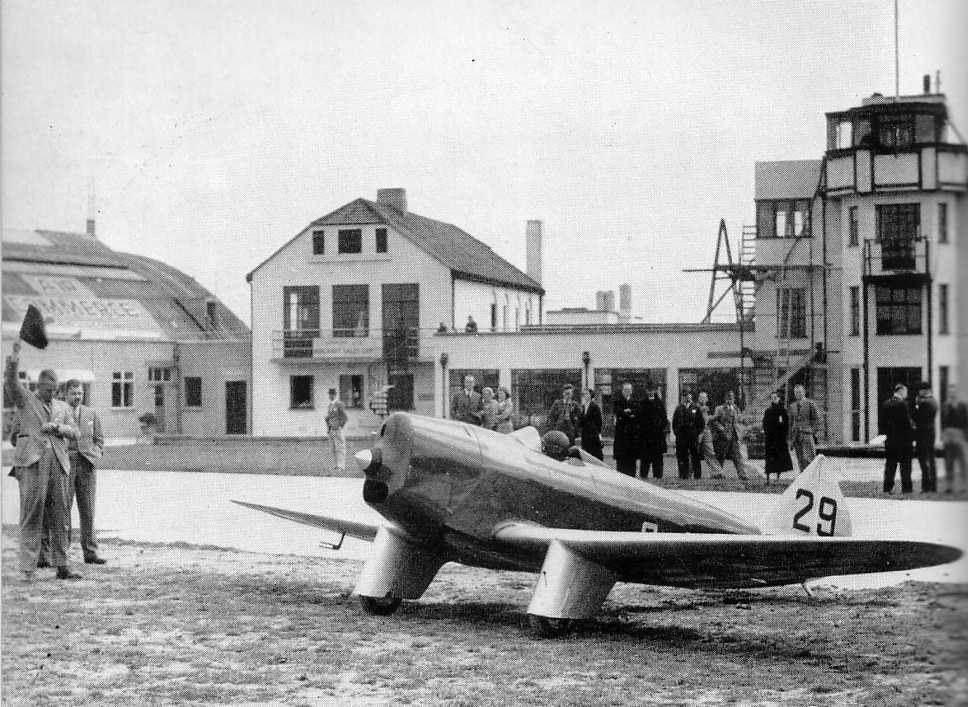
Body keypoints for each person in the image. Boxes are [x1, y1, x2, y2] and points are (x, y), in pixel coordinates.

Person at [4, 341, 80, 581]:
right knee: (32, 515)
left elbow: (75, 432)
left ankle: (62, 565)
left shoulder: (62, 407)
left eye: (55, 390)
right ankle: (28, 569)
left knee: (61, 515)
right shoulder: (25, 400)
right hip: (32, 463)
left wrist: (57, 428)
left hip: (58, 462)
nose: (52, 394)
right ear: (39, 386)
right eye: (48, 390)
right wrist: (14, 357)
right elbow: (11, 383)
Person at [40, 379, 105, 565]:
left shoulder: (91, 413)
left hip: (86, 465)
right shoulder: (57, 412)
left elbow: (99, 439)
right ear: (65, 394)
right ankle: (62, 554)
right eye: (74, 393)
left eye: (80, 393)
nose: (77, 397)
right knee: (62, 511)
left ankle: (90, 552)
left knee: (88, 510)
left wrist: (95, 453)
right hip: (64, 465)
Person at [881, 383, 915, 494]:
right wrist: (913, 434)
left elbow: (883, 423)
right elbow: (907, 423)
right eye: (906, 392)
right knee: (905, 466)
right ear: (901, 391)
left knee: (890, 465)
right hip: (903, 440)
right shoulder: (903, 404)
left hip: (890, 440)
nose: (906, 394)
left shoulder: (886, 404)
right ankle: (907, 488)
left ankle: (887, 488)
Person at [710, 390, 751, 480]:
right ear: (725, 399)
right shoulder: (719, 409)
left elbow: (739, 418)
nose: (730, 400)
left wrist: (745, 421)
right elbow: (714, 421)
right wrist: (721, 428)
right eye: (728, 398)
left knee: (737, 456)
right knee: (720, 456)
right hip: (722, 437)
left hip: (734, 436)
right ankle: (717, 473)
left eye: (732, 398)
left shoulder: (736, 408)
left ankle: (742, 474)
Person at [911, 382, 938, 493]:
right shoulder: (934, 401)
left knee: (923, 461)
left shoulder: (924, 403)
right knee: (931, 460)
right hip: (930, 433)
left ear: (925, 390)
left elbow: (916, 417)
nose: (919, 392)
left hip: (923, 435)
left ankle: (927, 486)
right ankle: (933, 485)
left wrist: (916, 405)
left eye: (920, 390)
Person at [941, 385, 968, 493]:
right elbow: (943, 421)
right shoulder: (945, 405)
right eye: (950, 392)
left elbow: (966, 421)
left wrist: (965, 436)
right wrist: (943, 434)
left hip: (959, 434)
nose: (952, 394)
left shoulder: (962, 405)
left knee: (962, 462)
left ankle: (963, 486)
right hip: (948, 435)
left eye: (953, 392)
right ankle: (949, 486)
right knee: (949, 462)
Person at [762, 391, 793, 484]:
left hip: (780, 439)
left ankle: (777, 478)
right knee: (769, 458)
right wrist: (767, 433)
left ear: (779, 398)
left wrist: (784, 435)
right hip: (770, 439)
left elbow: (786, 424)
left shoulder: (783, 411)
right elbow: (764, 423)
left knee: (779, 458)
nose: (773, 399)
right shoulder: (768, 411)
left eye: (775, 398)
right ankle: (768, 479)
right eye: (772, 398)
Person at [787, 384, 820, 471]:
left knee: (810, 458)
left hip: (807, 434)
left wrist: (812, 431)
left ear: (804, 392)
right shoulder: (792, 406)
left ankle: (812, 477)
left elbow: (817, 419)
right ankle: (803, 476)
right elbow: (790, 423)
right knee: (800, 459)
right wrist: (790, 438)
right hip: (796, 436)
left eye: (799, 392)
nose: (798, 394)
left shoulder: (810, 403)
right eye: (796, 393)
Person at [639, 383, 668, 479]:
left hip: (657, 437)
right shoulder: (642, 403)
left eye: (652, 390)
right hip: (646, 438)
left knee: (658, 460)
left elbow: (664, 419)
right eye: (649, 390)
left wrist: (659, 427)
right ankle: (643, 478)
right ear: (646, 391)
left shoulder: (660, 403)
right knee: (645, 461)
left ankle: (658, 477)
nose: (650, 392)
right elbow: (639, 420)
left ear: (655, 391)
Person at [612, 381, 640, 477]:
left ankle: (631, 476)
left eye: (629, 390)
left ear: (631, 391)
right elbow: (617, 411)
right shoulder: (617, 401)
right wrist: (627, 413)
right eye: (625, 390)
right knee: (621, 460)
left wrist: (628, 412)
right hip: (621, 435)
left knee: (631, 459)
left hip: (632, 435)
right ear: (622, 391)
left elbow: (637, 412)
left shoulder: (635, 401)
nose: (627, 392)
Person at [672, 392, 702, 479]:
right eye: (685, 395)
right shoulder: (679, 408)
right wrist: (677, 433)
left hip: (693, 436)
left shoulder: (696, 408)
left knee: (695, 455)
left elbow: (700, 422)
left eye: (688, 395)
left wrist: (696, 432)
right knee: (682, 455)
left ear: (691, 396)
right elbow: (674, 422)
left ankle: (697, 475)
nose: (687, 397)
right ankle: (683, 474)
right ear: (683, 397)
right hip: (681, 436)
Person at [325, 387, 348, 473]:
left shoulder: (339, 404)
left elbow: (344, 417)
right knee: (333, 448)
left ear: (335, 395)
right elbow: (329, 417)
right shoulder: (330, 405)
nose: (331, 396)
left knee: (340, 448)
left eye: (332, 394)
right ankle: (335, 465)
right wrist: (328, 428)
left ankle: (341, 466)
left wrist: (340, 426)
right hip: (331, 429)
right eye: (330, 394)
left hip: (338, 429)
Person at [578, 388, 604, 460]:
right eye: (584, 394)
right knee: (586, 453)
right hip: (585, 434)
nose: (585, 395)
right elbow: (581, 420)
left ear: (590, 395)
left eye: (586, 394)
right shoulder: (583, 407)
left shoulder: (595, 406)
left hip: (593, 434)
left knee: (595, 453)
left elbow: (599, 422)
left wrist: (598, 433)